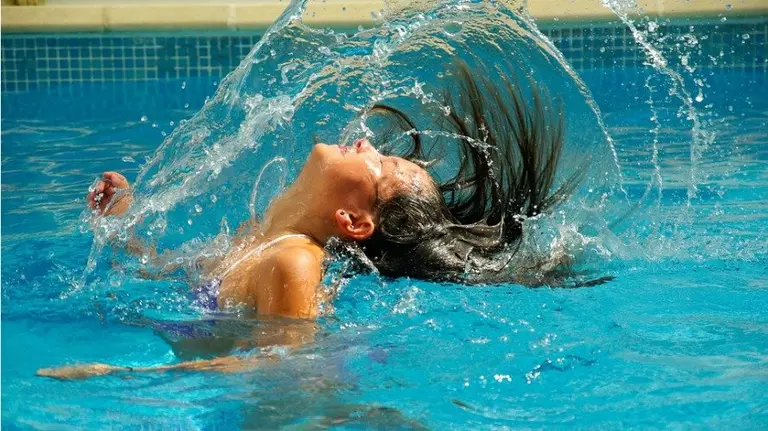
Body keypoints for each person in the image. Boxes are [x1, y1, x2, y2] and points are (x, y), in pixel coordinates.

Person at [37, 62, 584, 380]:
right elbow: (168, 276)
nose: (368, 143)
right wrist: (120, 228)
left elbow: (286, 372)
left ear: (352, 220)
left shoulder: (294, 260)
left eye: (381, 166)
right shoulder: (258, 237)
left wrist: (120, 377)